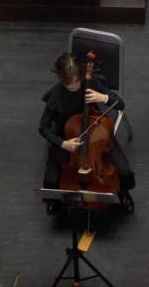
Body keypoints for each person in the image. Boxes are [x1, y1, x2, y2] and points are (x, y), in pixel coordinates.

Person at [39, 51, 136, 212]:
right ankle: (55, 202)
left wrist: (103, 98)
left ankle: (123, 193)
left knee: (124, 171)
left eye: (78, 81)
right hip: (67, 137)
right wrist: (63, 143)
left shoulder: (91, 83)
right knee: (50, 181)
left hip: (97, 135)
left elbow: (120, 104)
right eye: (71, 84)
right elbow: (42, 128)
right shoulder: (56, 95)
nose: (76, 85)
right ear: (62, 81)